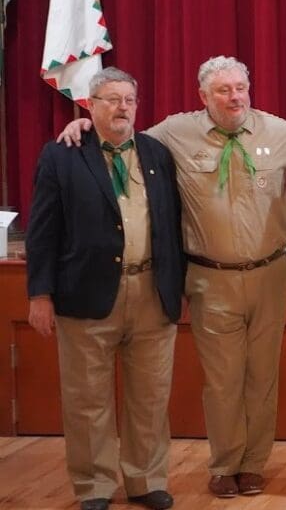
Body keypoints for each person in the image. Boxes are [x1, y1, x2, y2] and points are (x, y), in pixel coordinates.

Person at [58, 55, 286, 498]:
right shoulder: (175, 133)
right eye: (223, 90)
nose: (235, 96)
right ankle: (223, 466)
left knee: (262, 376)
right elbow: (122, 138)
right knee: (221, 381)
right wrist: (82, 128)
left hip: (270, 274)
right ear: (203, 96)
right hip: (209, 277)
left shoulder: (278, 131)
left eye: (240, 87)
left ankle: (254, 464)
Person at [26, 67, 184, 510]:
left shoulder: (156, 152)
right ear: (89, 106)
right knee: (87, 400)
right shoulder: (62, 155)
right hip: (86, 295)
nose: (122, 107)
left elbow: (172, 225)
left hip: (153, 292)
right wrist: (40, 294)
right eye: (111, 99)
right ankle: (94, 485)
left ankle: (146, 479)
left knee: (150, 398)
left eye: (129, 99)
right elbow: (42, 231)